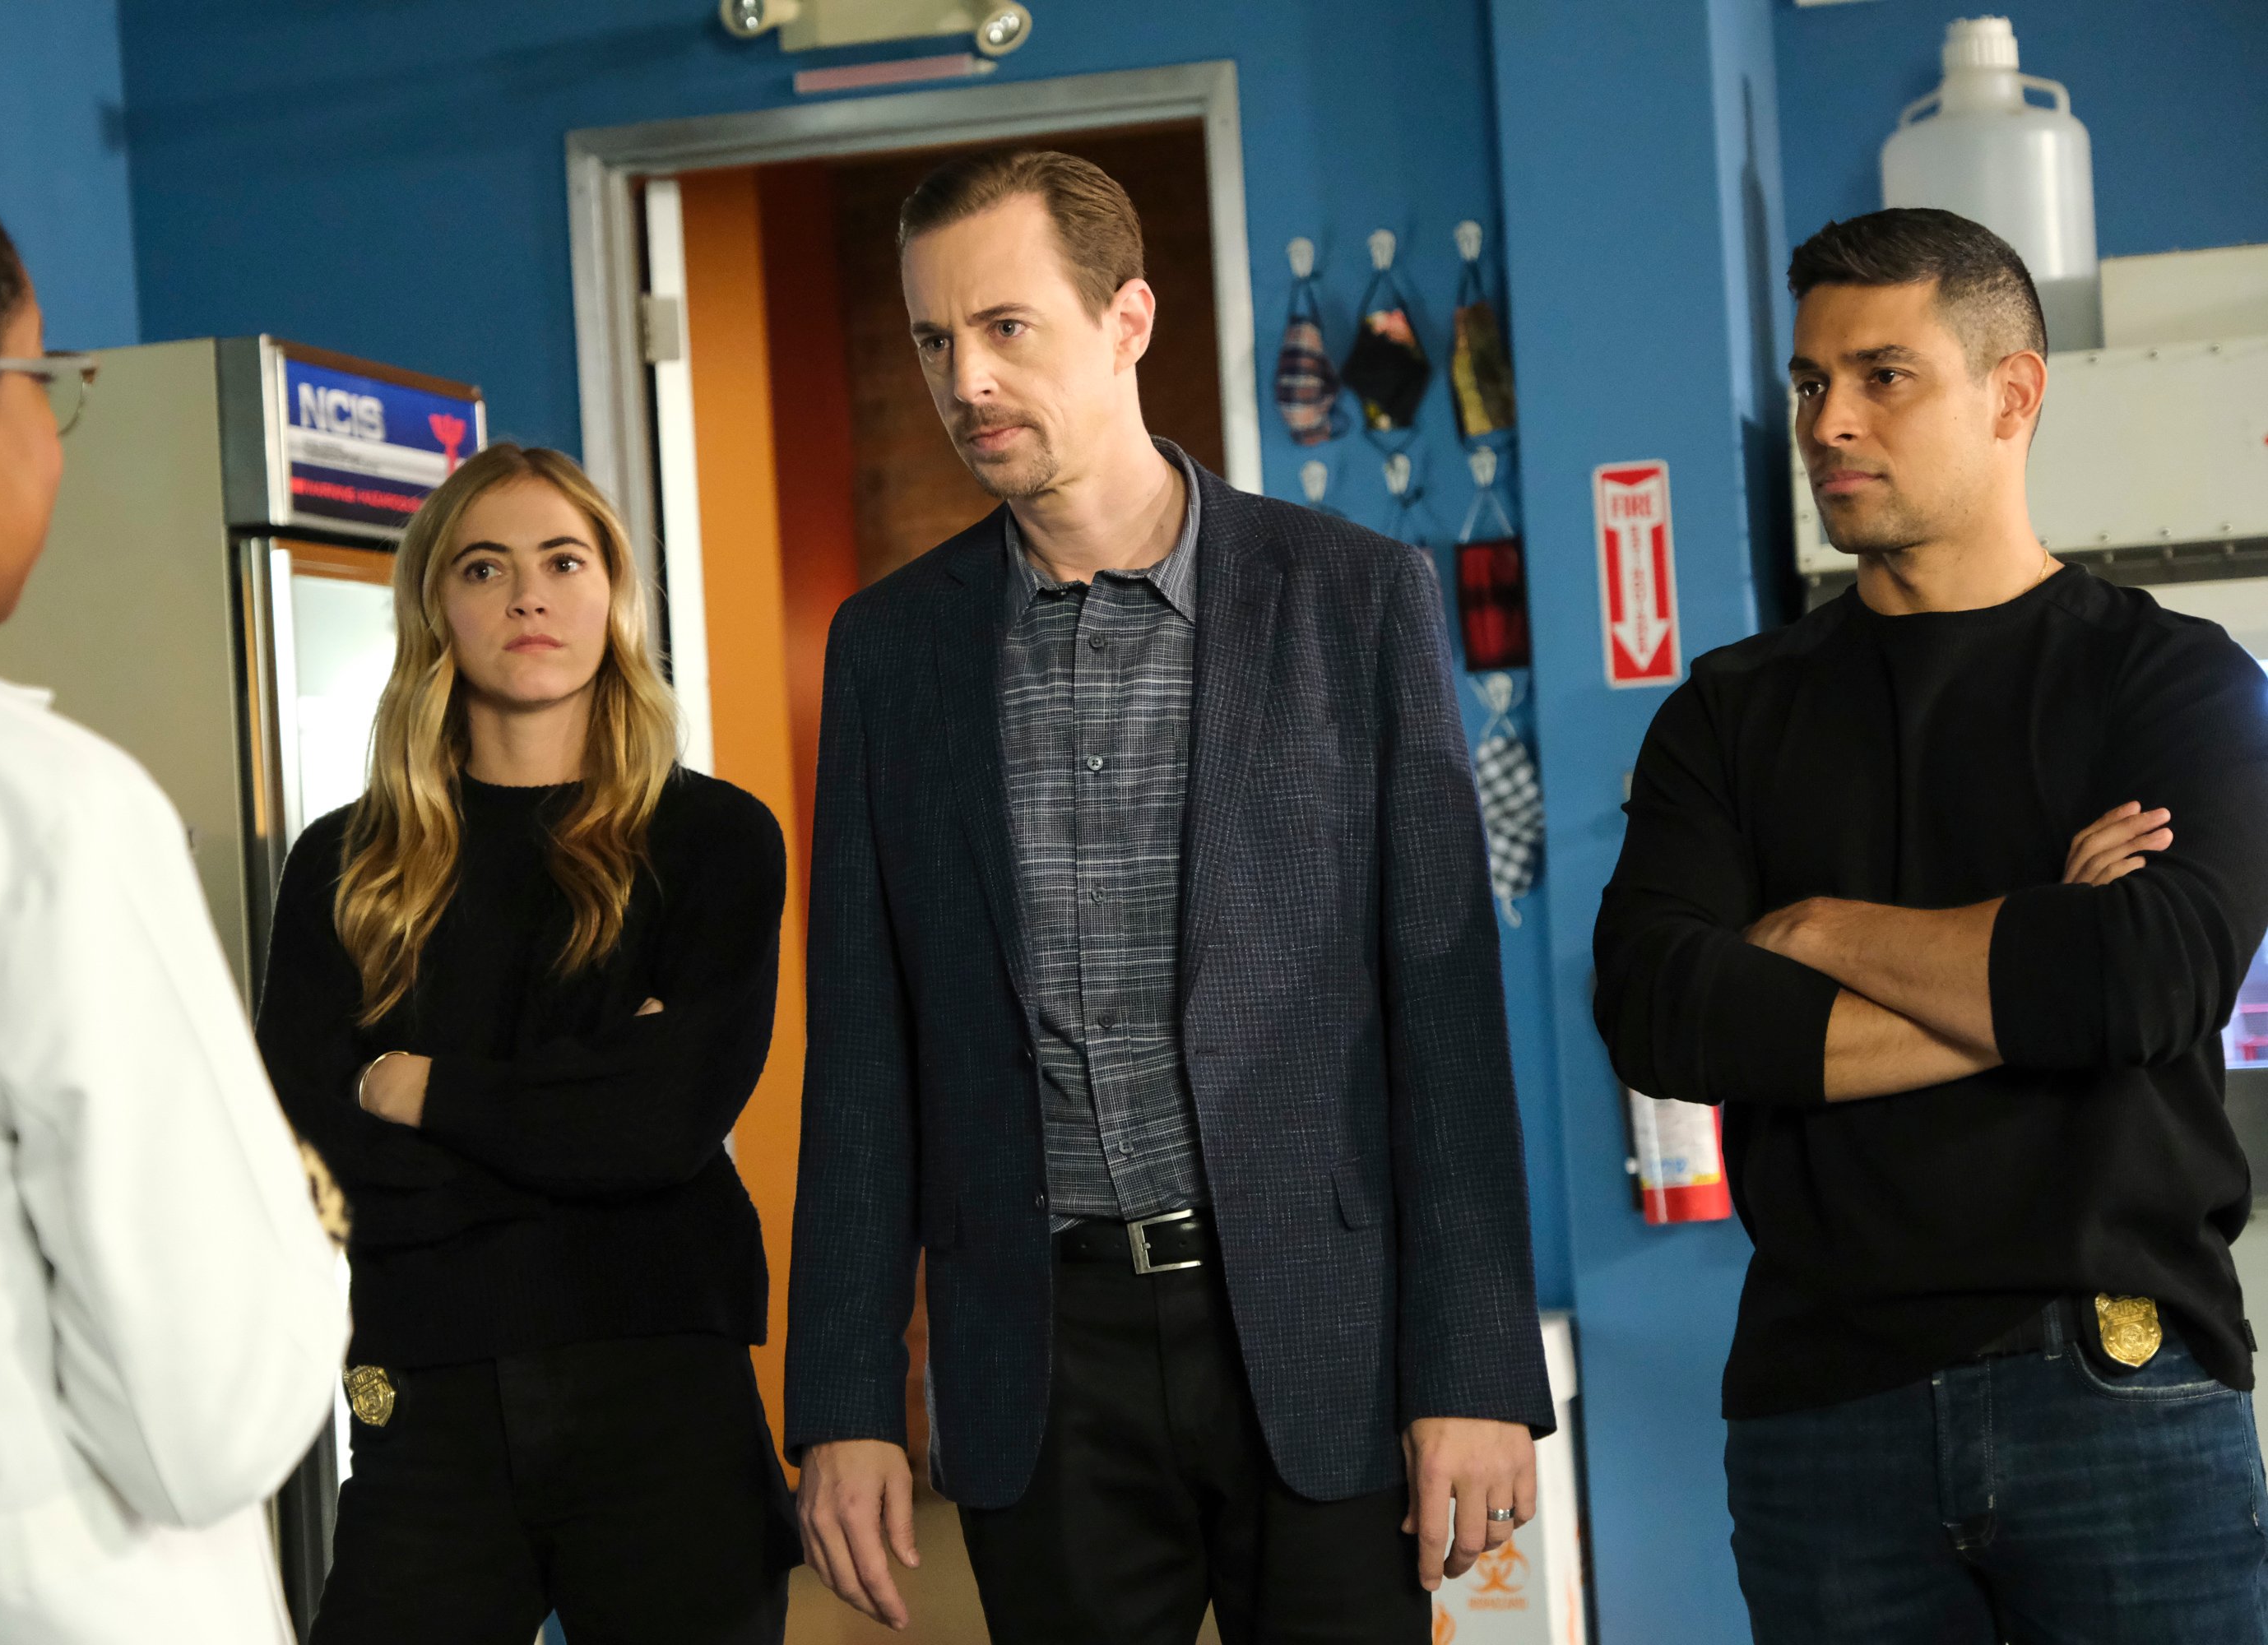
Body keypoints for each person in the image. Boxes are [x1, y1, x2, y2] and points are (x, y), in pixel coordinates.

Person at [785, 149, 1552, 1645]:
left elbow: (1445, 1020)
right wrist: (846, 1399)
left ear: (1127, 318)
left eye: (1007, 327)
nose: (965, 380)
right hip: (1036, 1356)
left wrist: (1473, 1367)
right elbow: (862, 1057)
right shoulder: (891, 650)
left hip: (1324, 1336)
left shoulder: (1355, 596)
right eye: (934, 341)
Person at [1594, 207, 2268, 1643]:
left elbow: (2150, 979)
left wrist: (1814, 930)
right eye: (1810, 381)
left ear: (2013, 395)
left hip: (2120, 1386)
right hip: (1823, 1414)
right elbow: (1660, 1012)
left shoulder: (2177, 682)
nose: (1828, 421)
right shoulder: (1728, 713)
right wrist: (2041, 966)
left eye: (1883, 376)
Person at [0, 45, 347, 1645]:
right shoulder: (27, 810)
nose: (55, 438)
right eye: (47, 386)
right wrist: (305, 1216)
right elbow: (210, 1420)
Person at [256, 441, 800, 1644]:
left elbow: (662, 1125)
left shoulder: (712, 841)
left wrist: (417, 1085)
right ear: (435, 608)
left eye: (562, 561)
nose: (528, 598)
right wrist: (580, 1108)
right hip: (426, 1396)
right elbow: (315, 1152)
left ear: (613, 594)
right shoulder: (345, 864)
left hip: (665, 1391)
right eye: (484, 568)